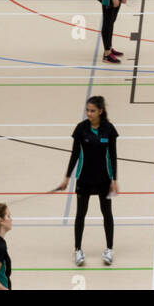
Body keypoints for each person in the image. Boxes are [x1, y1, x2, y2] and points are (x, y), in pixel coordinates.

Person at [52, 96, 119, 268]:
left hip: (104, 179)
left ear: (100, 111)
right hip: (84, 179)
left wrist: (115, 180)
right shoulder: (81, 129)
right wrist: (67, 177)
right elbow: (74, 154)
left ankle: (109, 249)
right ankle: (78, 249)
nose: (89, 113)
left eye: (92, 110)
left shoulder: (109, 130)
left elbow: (113, 156)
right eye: (87, 110)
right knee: (80, 214)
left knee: (107, 213)